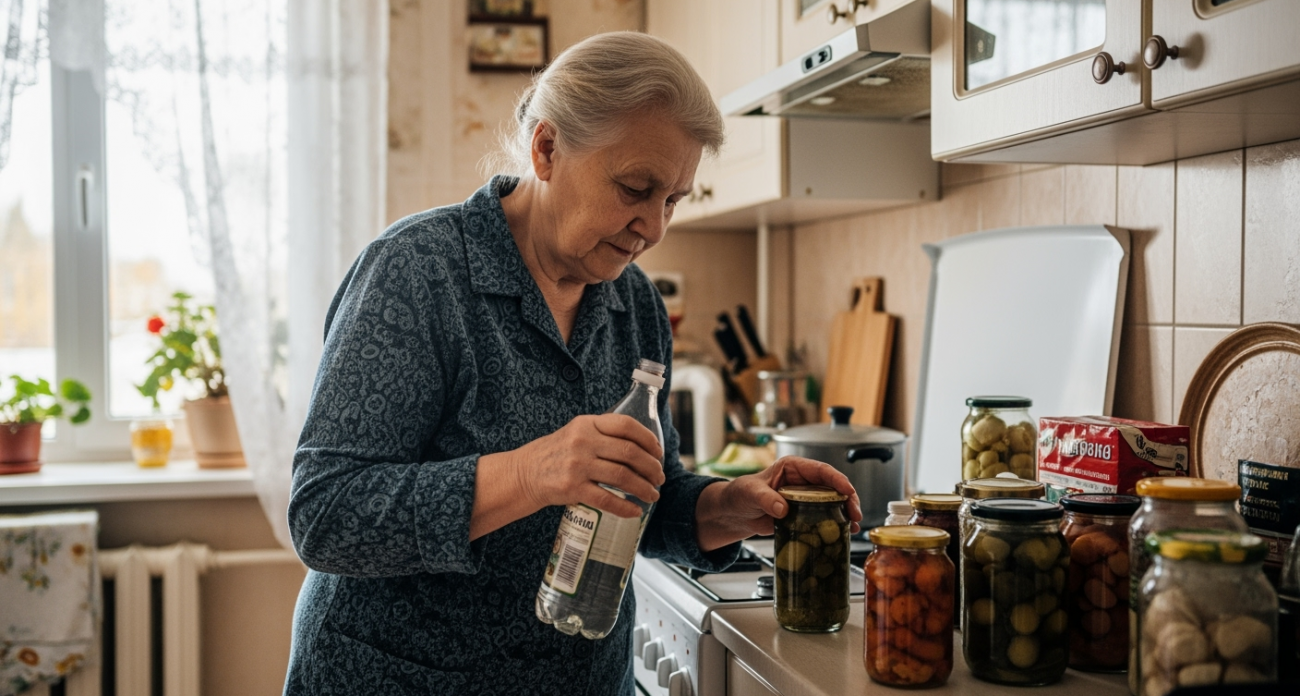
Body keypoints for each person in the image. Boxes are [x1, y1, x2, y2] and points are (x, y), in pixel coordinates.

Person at [282, 31, 861, 696]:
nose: (654, 227)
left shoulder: (635, 303)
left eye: (673, 199)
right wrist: (534, 472)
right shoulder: (419, 272)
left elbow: (645, 495)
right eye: (635, 188)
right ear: (548, 149)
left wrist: (726, 504)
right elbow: (326, 515)